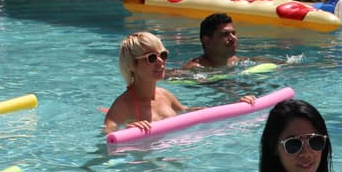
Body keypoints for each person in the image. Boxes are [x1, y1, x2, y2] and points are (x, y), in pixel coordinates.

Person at [102, 31, 256, 135]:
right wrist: (127, 131)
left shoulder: (165, 96)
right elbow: (106, 139)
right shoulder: (123, 106)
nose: (161, 62)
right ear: (132, 65)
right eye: (151, 58)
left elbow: (191, 112)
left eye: (162, 55)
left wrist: (236, 106)